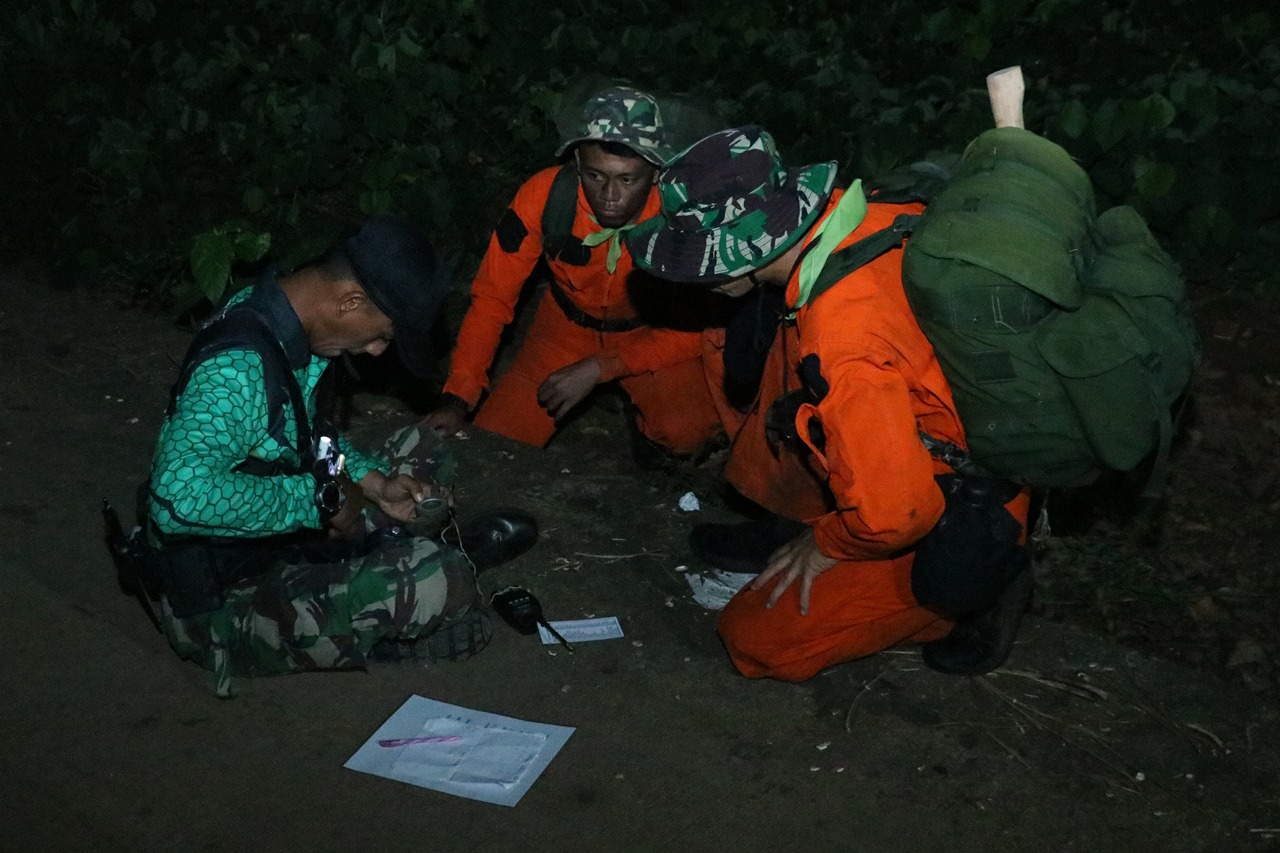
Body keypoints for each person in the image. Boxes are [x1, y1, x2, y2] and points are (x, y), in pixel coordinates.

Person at [625, 127, 1033, 682]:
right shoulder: (851, 216)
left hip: (953, 492)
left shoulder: (842, 340)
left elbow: (897, 517)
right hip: (918, 424)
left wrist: (827, 544)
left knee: (753, 640)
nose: (695, 280)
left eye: (700, 261)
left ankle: (972, 591)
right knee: (779, 350)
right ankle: (792, 515)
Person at [142, 217, 535, 695]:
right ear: (349, 301)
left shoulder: (280, 317)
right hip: (220, 603)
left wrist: (371, 484)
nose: (374, 350)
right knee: (441, 580)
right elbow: (177, 500)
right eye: (383, 335)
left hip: (274, 541)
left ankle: (384, 563)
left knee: (423, 444)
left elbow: (306, 435)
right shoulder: (236, 369)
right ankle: (408, 584)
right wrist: (320, 501)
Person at [421, 85, 719, 461]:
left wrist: (601, 367)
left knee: (687, 432)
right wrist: (458, 395)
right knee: (495, 447)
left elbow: (705, 326)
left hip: (649, 332)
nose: (610, 195)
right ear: (577, 162)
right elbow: (492, 299)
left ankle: (648, 437)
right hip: (564, 329)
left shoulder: (683, 216)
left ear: (657, 172)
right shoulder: (544, 198)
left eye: (628, 179)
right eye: (595, 176)